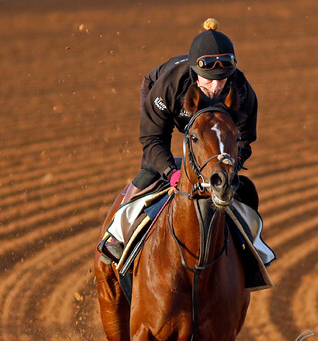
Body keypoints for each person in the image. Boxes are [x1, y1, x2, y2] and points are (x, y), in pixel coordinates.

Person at [99, 18, 258, 263]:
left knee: (242, 187)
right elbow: (153, 138)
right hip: (163, 97)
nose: (216, 86)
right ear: (195, 72)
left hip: (215, 127)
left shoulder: (242, 91)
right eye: (208, 79)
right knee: (152, 170)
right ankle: (118, 235)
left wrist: (228, 168)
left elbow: (244, 140)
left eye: (223, 78)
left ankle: (253, 247)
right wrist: (171, 172)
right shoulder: (170, 85)